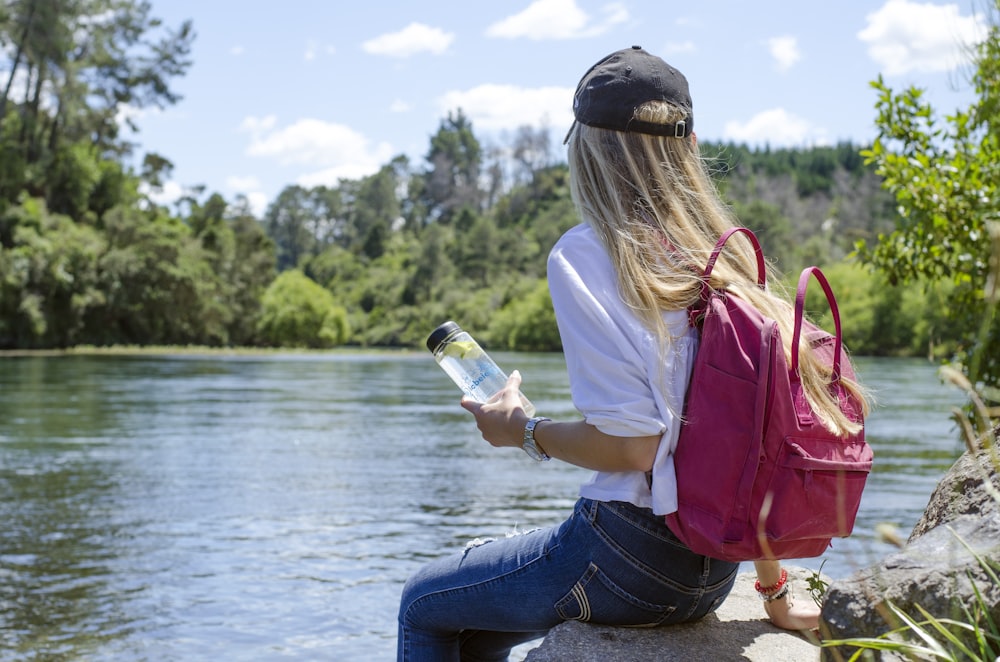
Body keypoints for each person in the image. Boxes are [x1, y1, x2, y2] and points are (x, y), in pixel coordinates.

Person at [398, 45, 868, 661]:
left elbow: (634, 445)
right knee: (477, 624)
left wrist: (525, 431)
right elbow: (758, 446)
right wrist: (775, 589)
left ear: (587, 148)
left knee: (423, 604)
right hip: (708, 571)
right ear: (689, 149)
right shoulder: (723, 262)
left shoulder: (587, 254)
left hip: (627, 558)